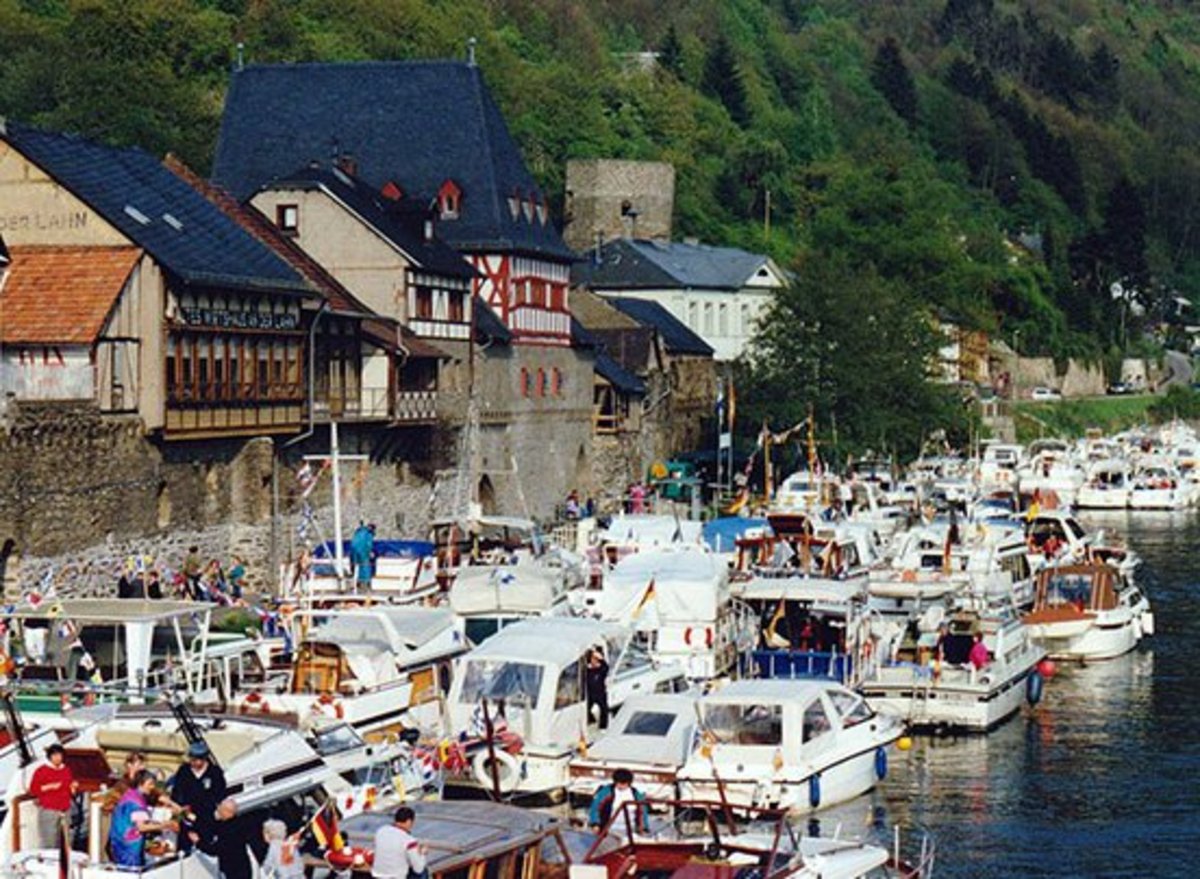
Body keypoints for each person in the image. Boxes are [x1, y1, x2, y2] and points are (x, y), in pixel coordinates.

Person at [170, 741, 226, 853]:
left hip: (206, 818)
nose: (195, 763)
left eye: (197, 760)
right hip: (186, 816)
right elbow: (177, 792)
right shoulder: (184, 771)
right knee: (185, 845)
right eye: (192, 760)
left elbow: (219, 794)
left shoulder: (214, 772)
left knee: (205, 843)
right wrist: (180, 807)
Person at [109, 770, 174, 867]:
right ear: (141, 783)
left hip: (118, 841)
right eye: (150, 784)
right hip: (130, 846)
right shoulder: (137, 802)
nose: (152, 787)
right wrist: (163, 825)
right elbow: (141, 827)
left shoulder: (130, 794)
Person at [29, 743, 77, 847]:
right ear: (50, 756)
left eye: (60, 755)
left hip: (65, 809)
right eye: (55, 755)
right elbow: (33, 789)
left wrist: (72, 787)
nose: (57, 758)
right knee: (49, 840)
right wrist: (49, 787)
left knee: (66, 841)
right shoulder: (41, 770)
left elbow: (69, 786)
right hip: (49, 809)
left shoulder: (66, 770)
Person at [202, 798, 255, 879]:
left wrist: (198, 842)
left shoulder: (229, 831)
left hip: (235, 872)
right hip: (242, 868)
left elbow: (215, 850)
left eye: (220, 808)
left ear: (226, 812)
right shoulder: (236, 823)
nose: (218, 810)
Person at [372, 806, 428, 879]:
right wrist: (422, 853)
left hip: (377, 875)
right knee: (423, 871)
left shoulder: (381, 831)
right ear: (408, 821)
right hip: (395, 877)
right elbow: (418, 869)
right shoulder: (409, 840)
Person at [584, 647, 609, 730]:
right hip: (590, 693)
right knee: (587, 708)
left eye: (595, 660)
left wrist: (600, 658)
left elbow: (606, 667)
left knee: (604, 709)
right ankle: (590, 720)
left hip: (600, 693)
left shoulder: (601, 670)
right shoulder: (588, 671)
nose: (594, 661)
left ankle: (603, 726)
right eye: (592, 659)